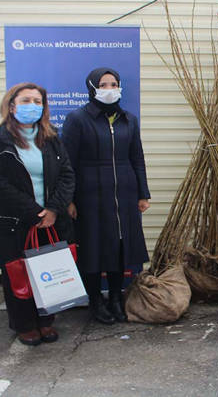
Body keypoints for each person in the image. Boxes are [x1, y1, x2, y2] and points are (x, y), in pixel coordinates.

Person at [0, 82, 75, 346]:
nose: (33, 106)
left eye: (37, 101)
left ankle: (45, 321)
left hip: (50, 220)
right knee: (18, 274)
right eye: (26, 101)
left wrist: (53, 209)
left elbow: (67, 175)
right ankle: (24, 324)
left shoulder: (51, 138)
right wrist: (34, 212)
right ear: (11, 105)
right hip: (15, 221)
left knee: (48, 269)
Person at [61, 67, 150, 325]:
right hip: (89, 193)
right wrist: (69, 199)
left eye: (114, 84)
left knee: (119, 247)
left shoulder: (129, 120)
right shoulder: (77, 119)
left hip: (124, 192)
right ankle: (95, 301)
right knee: (92, 247)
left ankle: (115, 297)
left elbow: (137, 158)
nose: (109, 89)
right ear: (91, 87)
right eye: (103, 84)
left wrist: (143, 193)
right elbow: (68, 163)